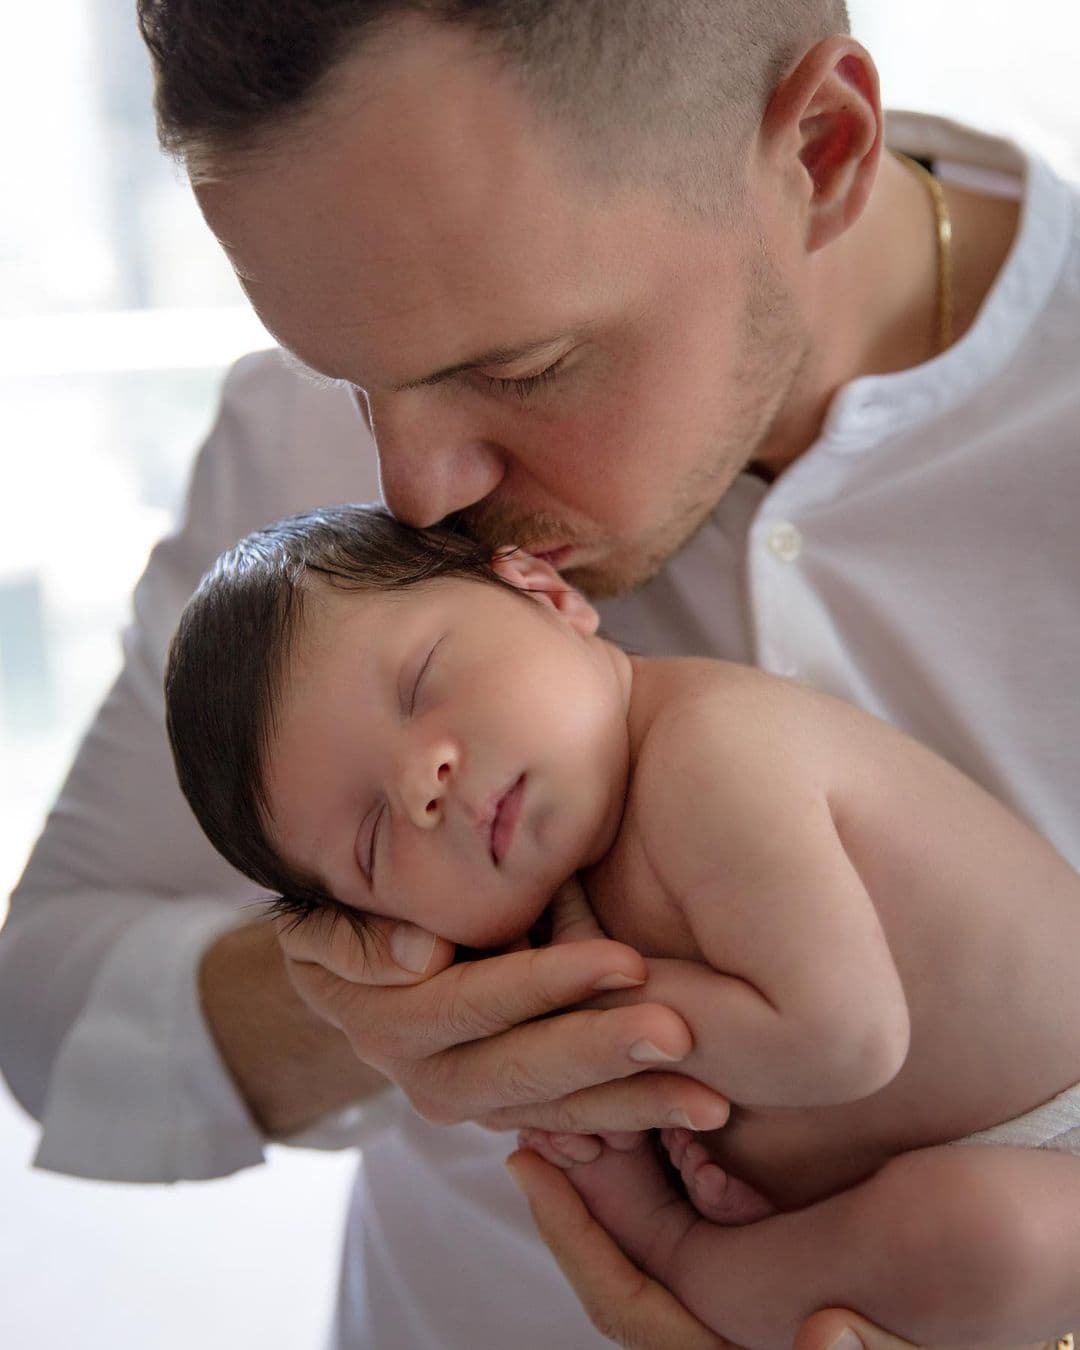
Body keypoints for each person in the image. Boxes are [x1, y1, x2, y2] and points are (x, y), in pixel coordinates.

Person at [0, 0, 1077, 1345]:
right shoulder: (299, 479)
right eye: (343, 379)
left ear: (820, 147)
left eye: (521, 367)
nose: (413, 489)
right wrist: (378, 992)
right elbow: (46, 1003)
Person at [163, 500, 1080, 1346]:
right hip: (947, 1185)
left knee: (985, 1239)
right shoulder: (565, 882)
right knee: (977, 1236)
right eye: (371, 842)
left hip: (1055, 1117)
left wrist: (590, 1009)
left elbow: (845, 1039)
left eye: (422, 682)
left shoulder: (712, 750)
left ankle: (685, 1266)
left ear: (548, 595)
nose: (420, 784)